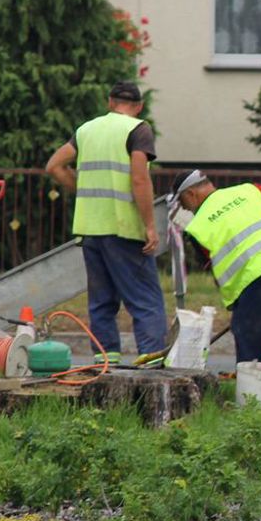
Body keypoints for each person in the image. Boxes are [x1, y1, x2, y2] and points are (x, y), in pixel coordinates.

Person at [46, 81, 166, 363]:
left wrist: (83, 188)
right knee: (145, 299)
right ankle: (152, 358)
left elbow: (53, 166)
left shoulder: (85, 130)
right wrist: (150, 226)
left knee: (101, 301)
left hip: (90, 229)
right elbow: (139, 178)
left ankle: (105, 361)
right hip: (123, 227)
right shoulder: (138, 129)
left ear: (110, 102)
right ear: (138, 107)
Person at [169, 170, 261, 363]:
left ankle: (254, 393)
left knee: (253, 357)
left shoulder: (198, 226)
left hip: (256, 283)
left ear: (191, 194)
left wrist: (238, 309)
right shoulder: (248, 191)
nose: (186, 209)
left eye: (183, 203)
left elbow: (218, 276)